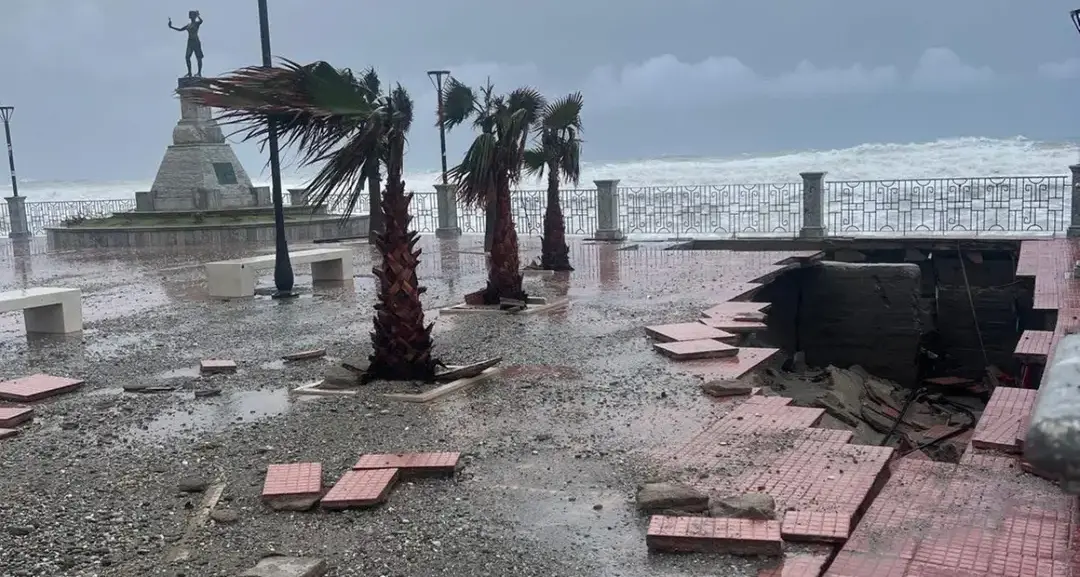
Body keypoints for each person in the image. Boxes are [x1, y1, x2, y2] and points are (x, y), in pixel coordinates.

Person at [168, 10, 204, 77]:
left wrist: (198, 15)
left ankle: (199, 73)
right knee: (187, 57)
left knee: (199, 57)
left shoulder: (196, 23)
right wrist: (171, 27)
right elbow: (180, 29)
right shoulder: (188, 25)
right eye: (190, 15)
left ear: (194, 16)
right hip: (190, 42)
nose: (190, 16)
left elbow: (201, 21)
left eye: (191, 14)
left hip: (196, 41)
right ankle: (189, 73)